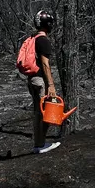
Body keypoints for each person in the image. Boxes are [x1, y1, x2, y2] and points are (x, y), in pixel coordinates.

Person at [28, 10, 61, 153]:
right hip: (40, 80)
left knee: (38, 112)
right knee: (45, 111)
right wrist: (51, 85)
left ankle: (39, 143)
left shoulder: (34, 38)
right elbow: (45, 63)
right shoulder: (43, 40)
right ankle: (40, 145)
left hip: (32, 79)